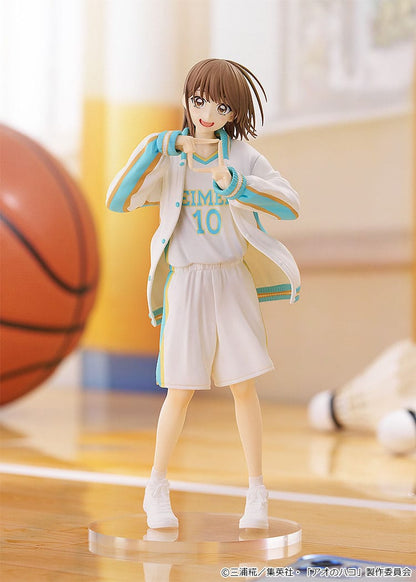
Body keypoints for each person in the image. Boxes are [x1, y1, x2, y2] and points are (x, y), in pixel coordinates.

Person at [106, 58, 300, 530]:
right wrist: (156, 147)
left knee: (244, 386)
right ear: (188, 101)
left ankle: (257, 491)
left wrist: (239, 186)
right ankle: (156, 486)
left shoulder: (243, 157)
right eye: (199, 101)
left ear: (234, 112)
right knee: (180, 390)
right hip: (187, 281)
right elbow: (119, 198)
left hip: (231, 280)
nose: (208, 113)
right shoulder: (171, 157)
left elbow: (289, 204)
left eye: (221, 106)